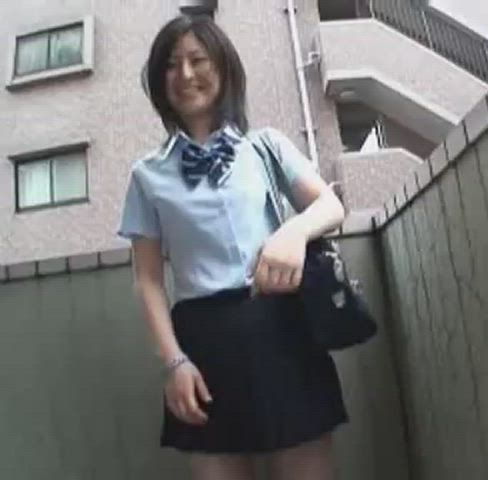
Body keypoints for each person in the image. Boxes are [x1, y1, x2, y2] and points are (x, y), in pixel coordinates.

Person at [117, 14, 348, 480]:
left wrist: (291, 234)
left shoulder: (265, 146)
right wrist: (174, 362)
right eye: (171, 65)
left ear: (223, 67)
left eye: (198, 59)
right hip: (203, 344)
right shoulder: (146, 175)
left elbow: (330, 206)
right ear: (159, 82)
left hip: (281, 329)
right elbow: (148, 282)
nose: (185, 74)